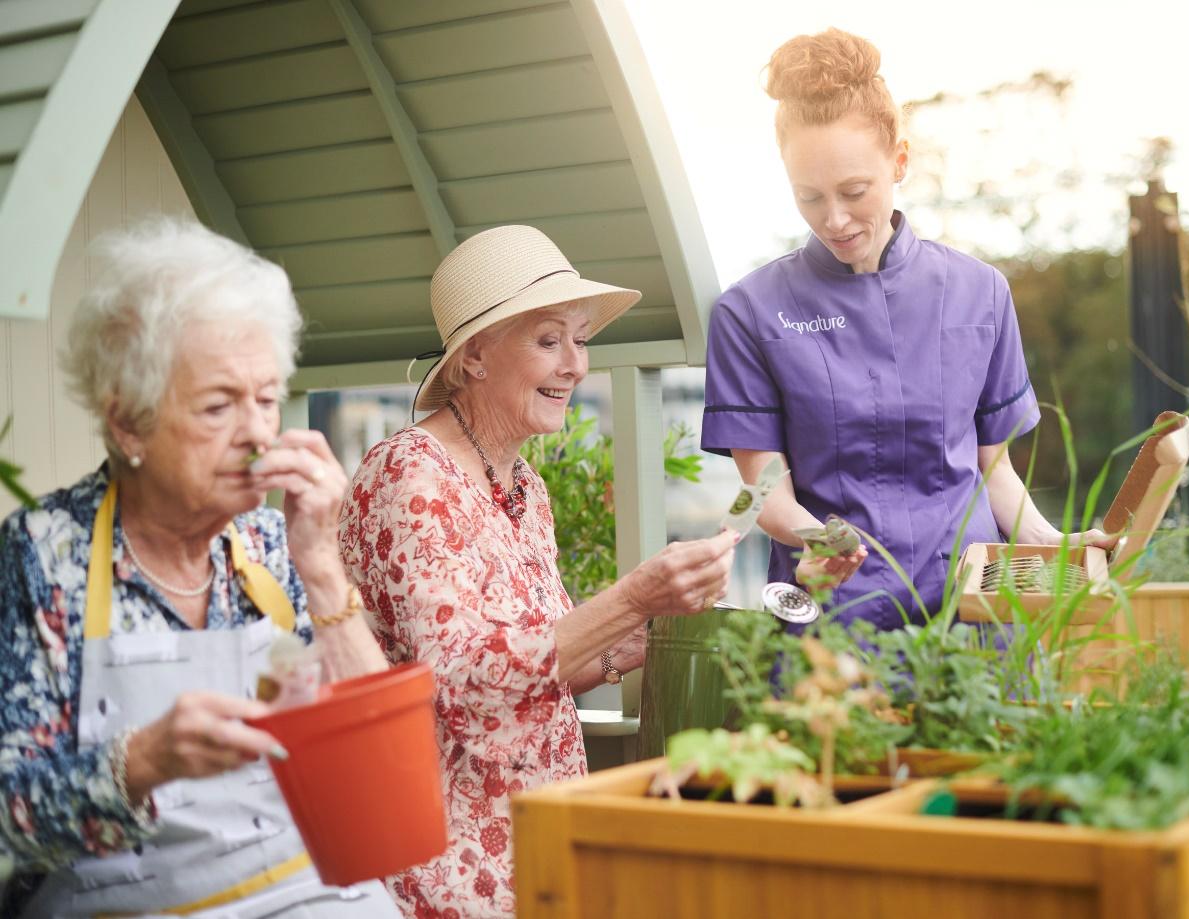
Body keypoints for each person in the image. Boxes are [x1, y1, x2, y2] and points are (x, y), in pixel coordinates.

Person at [0, 221, 401, 917]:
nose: (256, 431)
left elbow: (381, 772)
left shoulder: (275, 545)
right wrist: (144, 759)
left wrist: (324, 566)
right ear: (128, 424)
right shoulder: (41, 556)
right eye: (219, 405)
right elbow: (10, 818)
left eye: (268, 398)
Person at [338, 225, 737, 918]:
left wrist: (643, 636)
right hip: (440, 870)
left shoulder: (524, 485)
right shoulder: (409, 474)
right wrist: (631, 596)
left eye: (580, 340)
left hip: (534, 849)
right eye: (550, 340)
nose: (576, 365)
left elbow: (533, 663)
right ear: (474, 359)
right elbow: (462, 681)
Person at [702, 29, 1112, 630]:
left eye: (854, 191)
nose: (834, 219)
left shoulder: (980, 293)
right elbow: (761, 491)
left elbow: (991, 468)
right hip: (836, 622)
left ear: (899, 161)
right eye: (809, 197)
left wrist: (1053, 543)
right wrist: (821, 540)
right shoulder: (750, 312)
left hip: (971, 618)